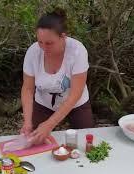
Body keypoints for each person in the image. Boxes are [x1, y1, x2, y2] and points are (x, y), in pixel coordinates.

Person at [20, 8, 94, 145]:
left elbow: (75, 94)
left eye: (49, 43)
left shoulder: (78, 51)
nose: (44, 48)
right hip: (44, 103)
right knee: (34, 141)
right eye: (40, 42)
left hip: (76, 104)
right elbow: (28, 89)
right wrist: (27, 122)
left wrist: (50, 124)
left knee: (84, 142)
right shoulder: (33, 52)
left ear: (63, 37)